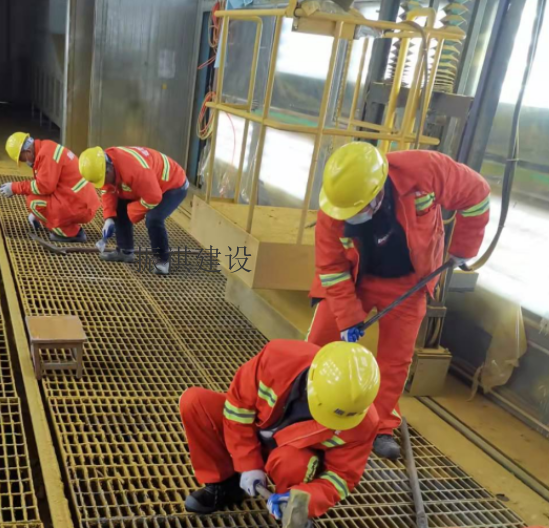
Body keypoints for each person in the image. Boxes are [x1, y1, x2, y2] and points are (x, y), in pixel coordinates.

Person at [307, 142, 491, 460]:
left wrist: (464, 246)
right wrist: (348, 316)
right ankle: (307, 409)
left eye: (357, 209)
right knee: (317, 344)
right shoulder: (333, 208)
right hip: (356, 279)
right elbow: (331, 269)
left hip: (410, 281)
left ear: (377, 192)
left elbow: (477, 195)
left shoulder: (425, 170)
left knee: (395, 359)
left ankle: (379, 427)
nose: (350, 216)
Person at [180, 340, 380, 520]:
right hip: (252, 435)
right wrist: (247, 463)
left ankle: (291, 512)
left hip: (288, 457)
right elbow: (237, 408)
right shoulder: (278, 358)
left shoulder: (363, 423)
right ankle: (225, 484)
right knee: (195, 403)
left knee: (293, 463)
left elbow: (341, 478)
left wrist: (305, 501)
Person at [78, 146, 189, 275]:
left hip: (173, 185)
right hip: (151, 184)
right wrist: (109, 218)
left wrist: (131, 211)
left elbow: (154, 197)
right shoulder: (104, 164)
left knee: (154, 218)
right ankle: (125, 252)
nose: (103, 183)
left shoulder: (135, 171)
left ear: (109, 169)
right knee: (118, 204)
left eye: (102, 179)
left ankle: (162, 261)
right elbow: (108, 190)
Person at [0, 132, 99, 242]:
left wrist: (15, 187)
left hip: (80, 205)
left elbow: (43, 187)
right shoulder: (46, 148)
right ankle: (61, 224)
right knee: (35, 198)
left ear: (28, 151)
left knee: (33, 202)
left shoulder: (45, 155)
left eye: (23, 159)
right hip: (80, 199)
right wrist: (38, 215)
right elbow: (49, 185)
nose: (25, 163)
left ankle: (70, 233)